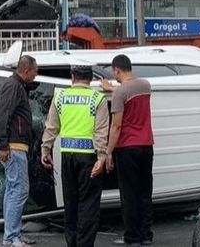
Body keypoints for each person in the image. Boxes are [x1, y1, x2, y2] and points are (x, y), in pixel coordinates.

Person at [41, 65, 109, 247]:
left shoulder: (60, 97)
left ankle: (72, 243)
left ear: (72, 78)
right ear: (90, 79)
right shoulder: (98, 98)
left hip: (67, 156)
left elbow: (51, 127)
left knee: (70, 203)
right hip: (88, 157)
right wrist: (102, 158)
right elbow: (101, 132)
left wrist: (45, 150)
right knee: (89, 204)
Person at [102, 54, 154, 246]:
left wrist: (108, 152)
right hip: (146, 146)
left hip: (127, 148)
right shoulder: (145, 85)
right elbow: (128, 90)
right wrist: (113, 88)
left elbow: (115, 126)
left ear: (116, 70)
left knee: (129, 194)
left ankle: (132, 237)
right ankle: (146, 235)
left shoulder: (119, 93)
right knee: (144, 192)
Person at [0, 55, 39, 247]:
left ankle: (12, 233)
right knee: (19, 191)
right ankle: (11, 237)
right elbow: (2, 115)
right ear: (26, 70)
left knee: (12, 190)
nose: (36, 75)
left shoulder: (16, 86)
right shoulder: (13, 86)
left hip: (13, 145)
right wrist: (3, 144)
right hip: (13, 146)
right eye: (35, 71)